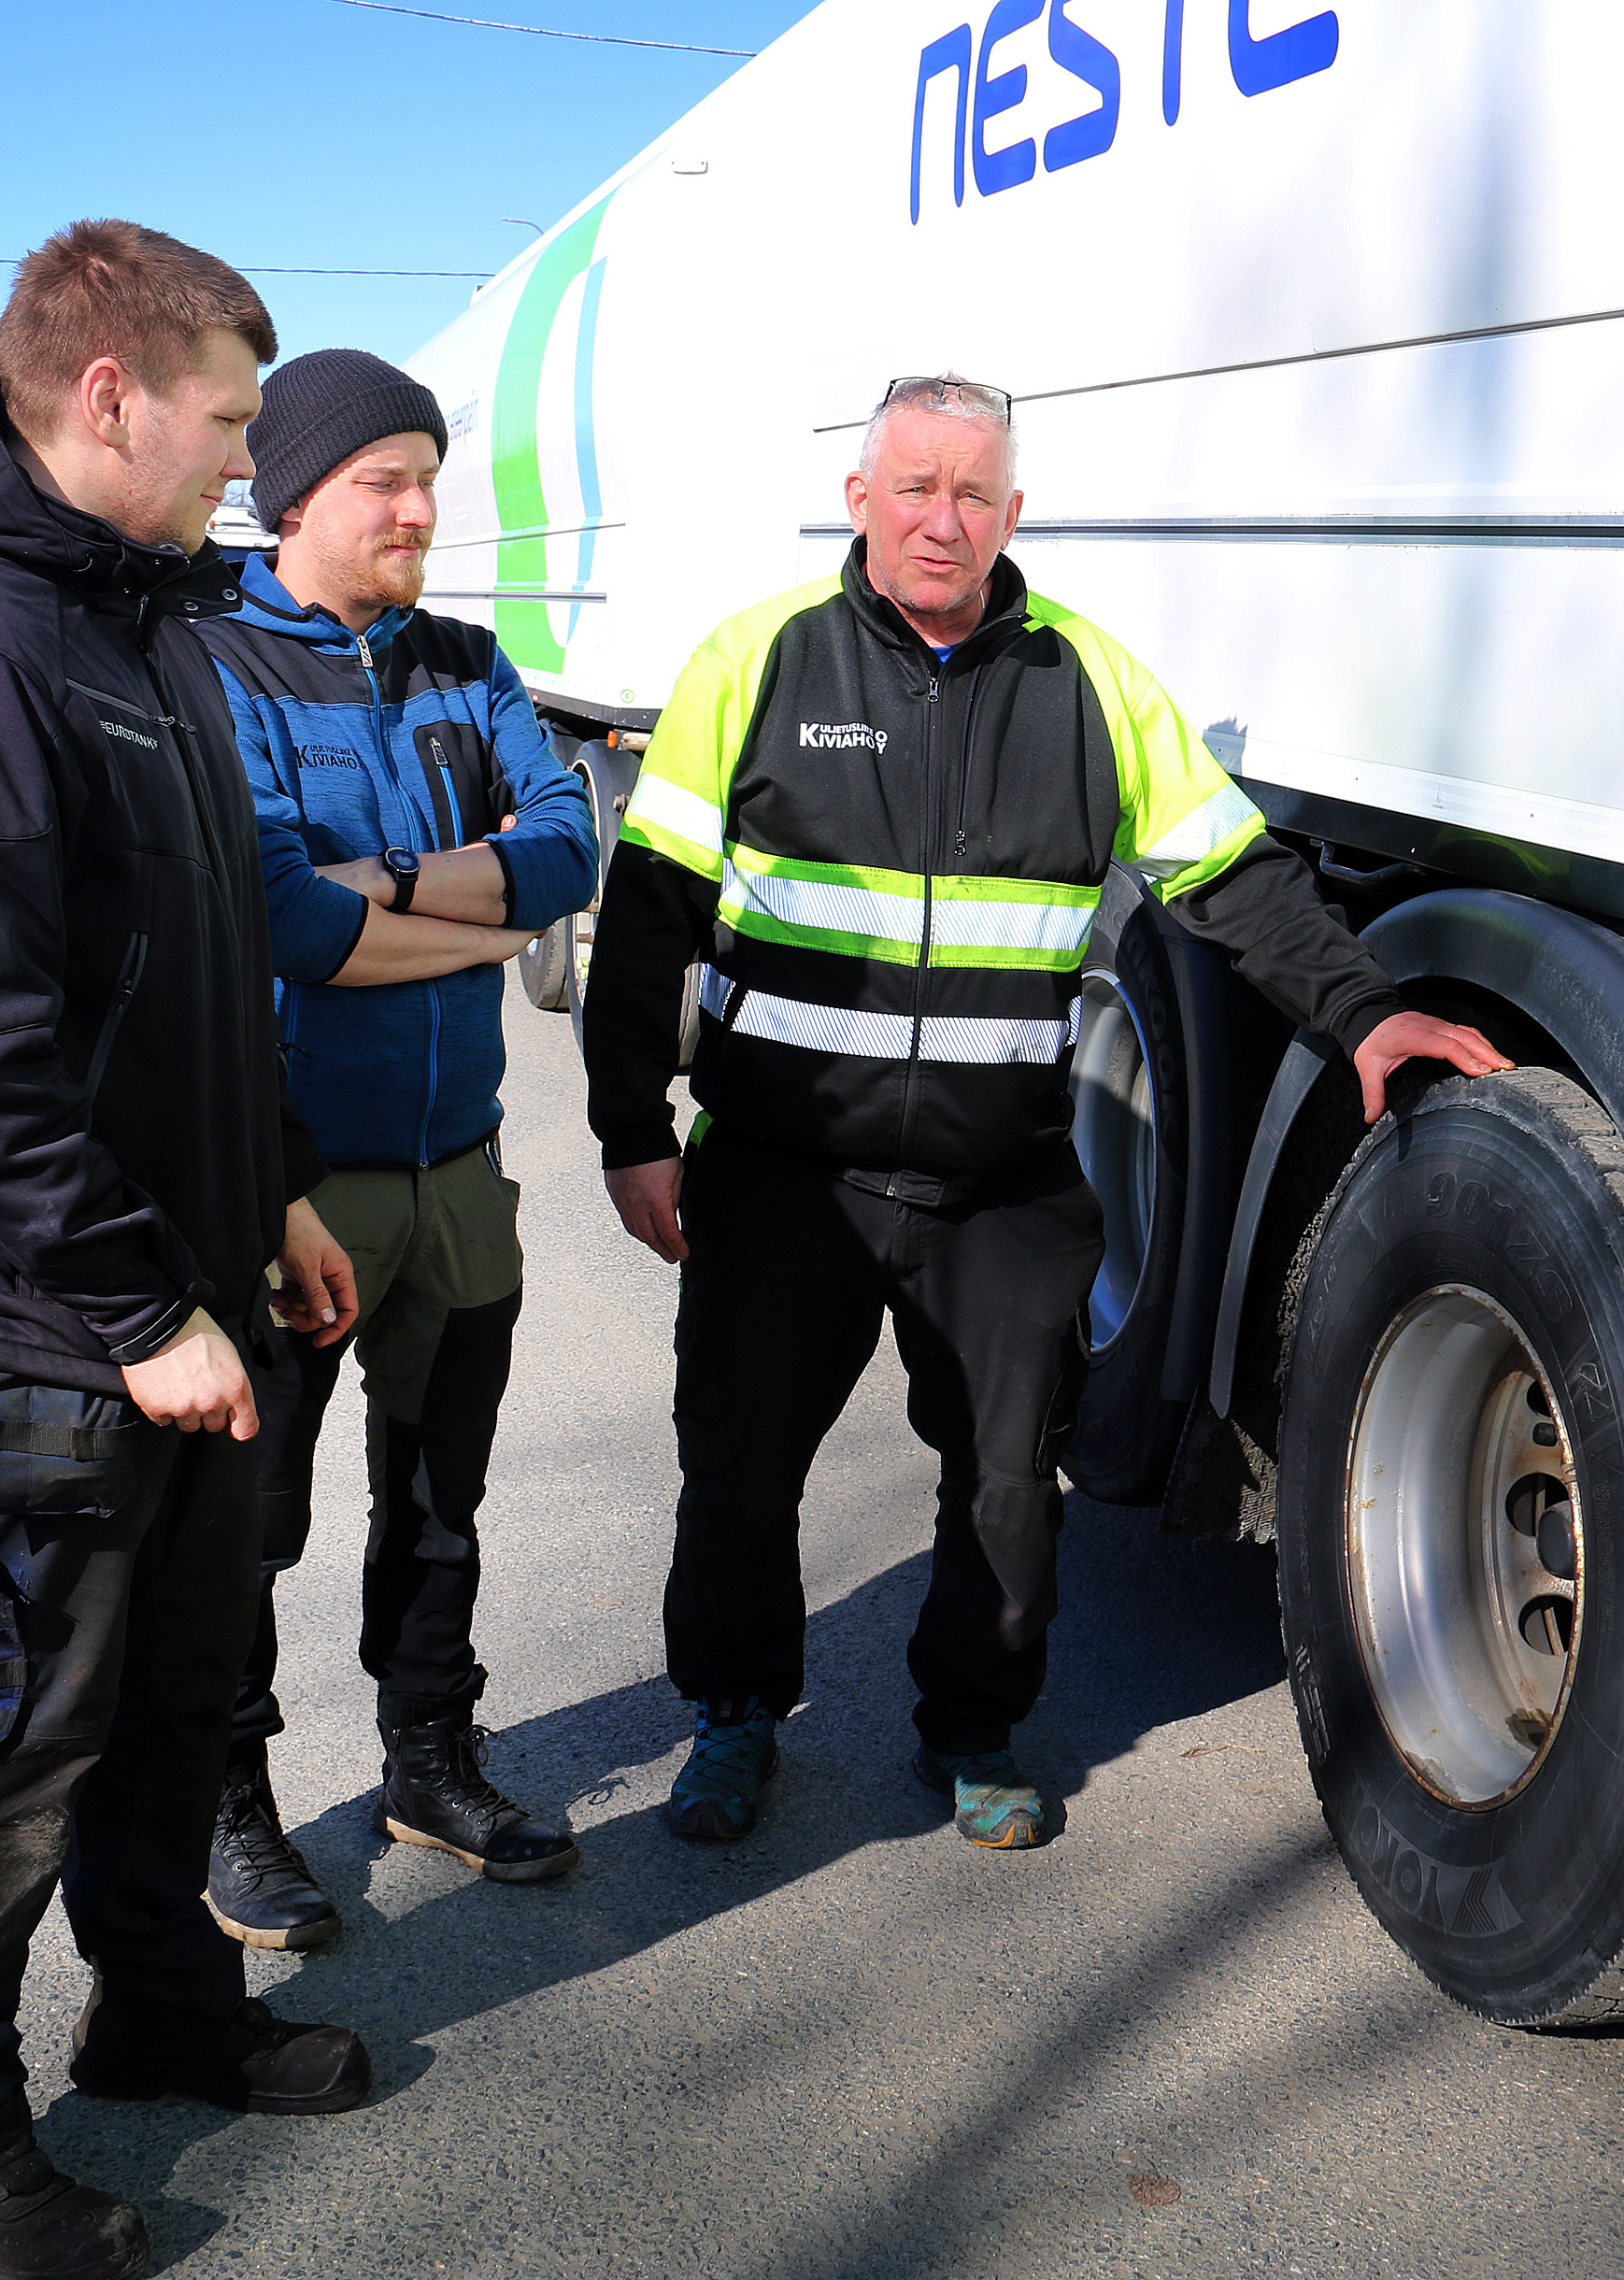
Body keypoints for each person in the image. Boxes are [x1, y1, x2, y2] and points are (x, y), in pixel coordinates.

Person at [581, 374, 1512, 1852]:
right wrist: (631, 1126)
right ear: (860, 499)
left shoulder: (1089, 679)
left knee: (1010, 1485)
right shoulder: (755, 661)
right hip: (782, 1171)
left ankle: (975, 1728)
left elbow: (1233, 879)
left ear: (1013, 514)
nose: (940, 520)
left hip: (1000, 1178)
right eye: (914, 487)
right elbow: (647, 916)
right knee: (741, 1466)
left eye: (972, 494)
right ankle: (736, 1712)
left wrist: (1365, 1011)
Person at [0, 221, 373, 2280]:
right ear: (108, 392)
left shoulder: (131, 625)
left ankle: (161, 2008)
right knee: (3, 1726)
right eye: (227, 420)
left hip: (183, 1288)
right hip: (31, 1328)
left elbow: (202, 963)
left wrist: (281, 1187)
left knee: (171, 1691)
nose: (245, 460)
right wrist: (137, 1305)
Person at [189, 349, 602, 1943]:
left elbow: (566, 856)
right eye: (391, 479)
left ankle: (430, 1760)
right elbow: (279, 915)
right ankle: (233, 1803)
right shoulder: (218, 665)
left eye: (431, 473)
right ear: (293, 494)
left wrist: (393, 898)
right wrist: (472, 910)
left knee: (439, 1501)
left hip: (459, 1175)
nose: (427, 507)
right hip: (293, 1185)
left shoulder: (465, 660)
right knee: (252, 1521)